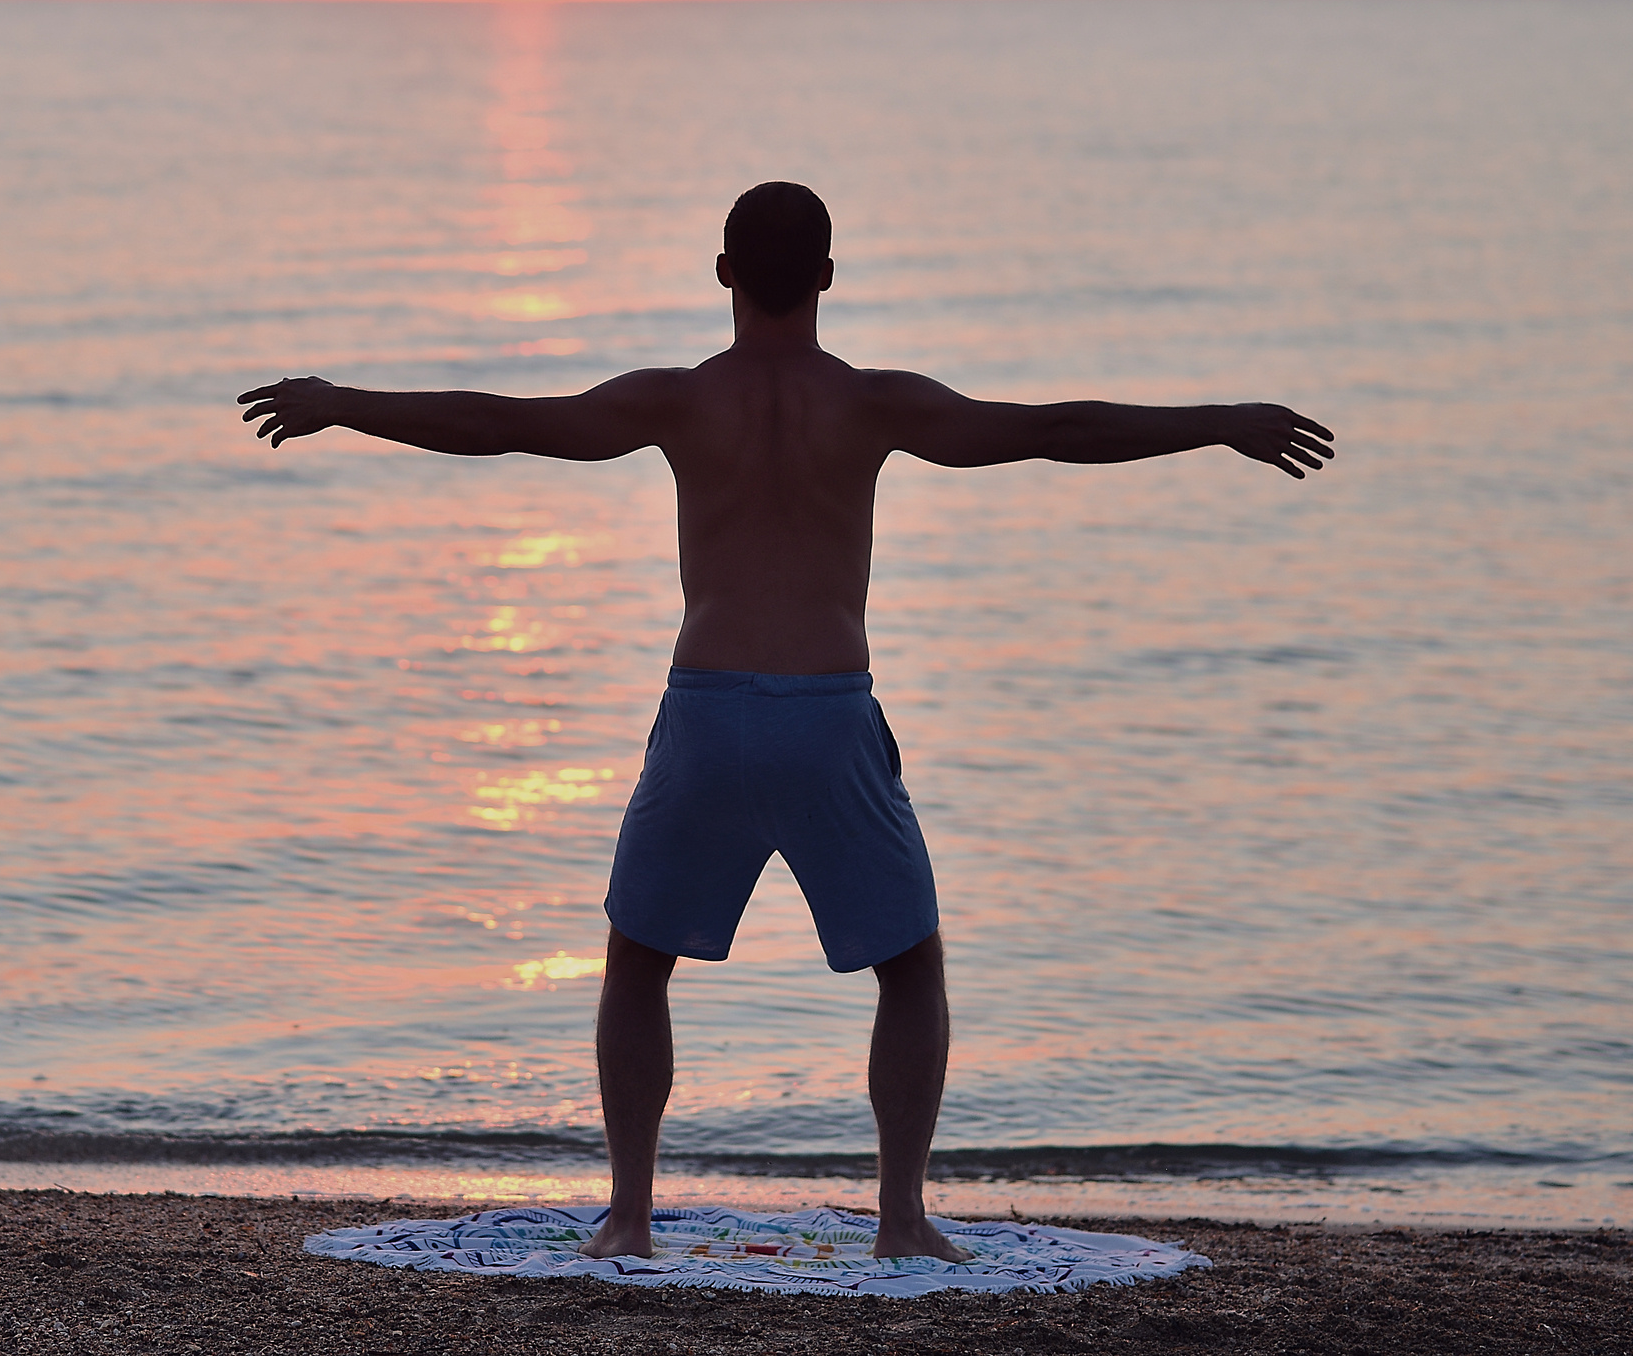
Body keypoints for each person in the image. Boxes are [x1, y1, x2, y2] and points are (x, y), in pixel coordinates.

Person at [238, 182, 1334, 1263]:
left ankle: (628, 1216)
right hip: (828, 713)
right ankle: (900, 1220)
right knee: (909, 968)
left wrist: (345, 402)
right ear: (825, 276)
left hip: (707, 709)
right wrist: (1218, 424)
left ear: (722, 272)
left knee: (638, 962)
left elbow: (503, 423)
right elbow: (1053, 429)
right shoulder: (872, 404)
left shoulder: (676, 400)